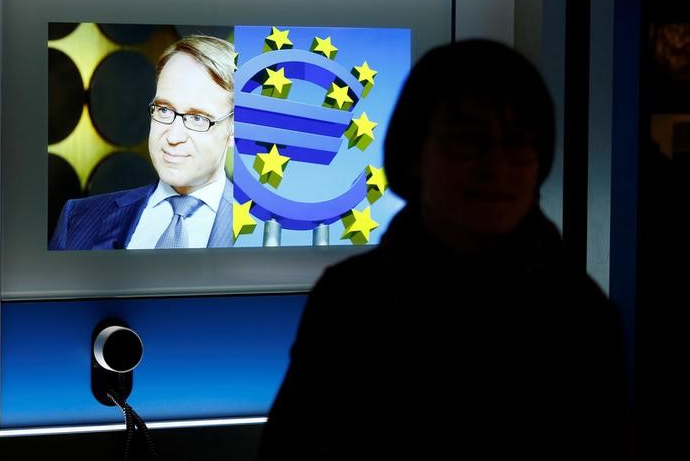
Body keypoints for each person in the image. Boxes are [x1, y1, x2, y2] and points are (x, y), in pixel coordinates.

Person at [257, 40, 630, 460]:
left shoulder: (580, 314)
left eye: (518, 141)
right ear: (413, 154)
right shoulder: (349, 298)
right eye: (468, 140)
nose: (496, 165)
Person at [49, 35, 235, 250]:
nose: (173, 137)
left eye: (197, 118)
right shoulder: (77, 219)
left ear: (233, 130)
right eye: (164, 110)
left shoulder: (269, 230)